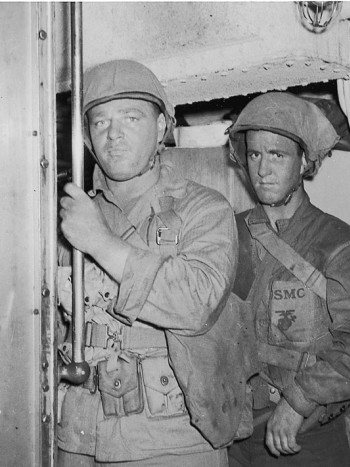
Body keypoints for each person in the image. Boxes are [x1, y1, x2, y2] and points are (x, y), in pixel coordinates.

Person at [57, 59, 238, 466]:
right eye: (100, 122)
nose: (114, 135)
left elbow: (197, 303)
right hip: (79, 435)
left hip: (170, 439)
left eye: (131, 118)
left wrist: (100, 243)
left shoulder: (203, 210)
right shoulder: (72, 216)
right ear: (86, 137)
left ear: (161, 128)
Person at [225, 92, 350, 467]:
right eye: (255, 154)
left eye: (278, 155)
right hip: (232, 437)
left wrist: (299, 400)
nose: (263, 170)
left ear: (304, 162)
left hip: (305, 439)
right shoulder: (226, 233)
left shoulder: (337, 242)